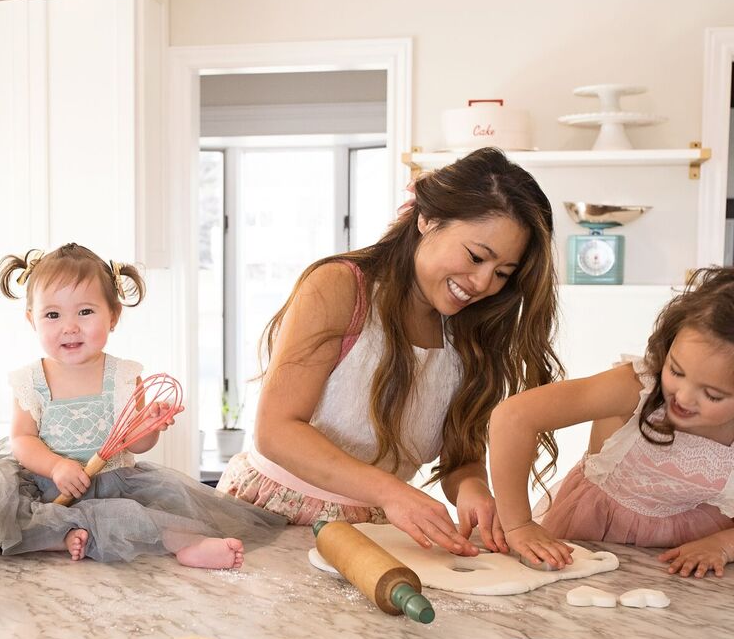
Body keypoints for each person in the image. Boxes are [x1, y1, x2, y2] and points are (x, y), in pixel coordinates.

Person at [219, 148, 563, 555]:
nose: (483, 283)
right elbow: (277, 431)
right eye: (476, 256)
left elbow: (461, 456)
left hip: (372, 527)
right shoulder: (340, 288)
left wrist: (473, 488)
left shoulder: (472, 332)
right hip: (270, 516)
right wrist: (392, 492)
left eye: (503, 273)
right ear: (427, 219)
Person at [487, 254, 734, 576]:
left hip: (693, 558)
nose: (683, 397)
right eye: (677, 370)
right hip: (594, 535)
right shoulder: (637, 387)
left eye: (713, 394)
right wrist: (518, 524)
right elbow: (513, 417)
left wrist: (724, 546)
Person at [0, 243, 285, 569]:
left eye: (85, 312)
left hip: (113, 485)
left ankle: (190, 544)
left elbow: (136, 444)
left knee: (141, 517)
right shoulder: (29, 381)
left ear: (113, 315)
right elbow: (22, 440)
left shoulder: (124, 377)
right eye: (53, 315)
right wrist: (56, 466)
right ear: (33, 319)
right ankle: (57, 538)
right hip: (45, 486)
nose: (69, 326)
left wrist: (149, 426)